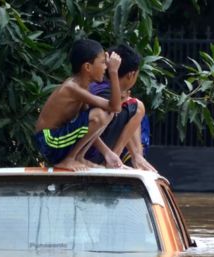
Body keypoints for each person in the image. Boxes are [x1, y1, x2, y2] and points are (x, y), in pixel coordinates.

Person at [35, 39, 122, 171]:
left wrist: (107, 153)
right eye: (103, 63)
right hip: (48, 140)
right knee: (100, 114)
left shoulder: (82, 87)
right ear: (87, 67)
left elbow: (90, 126)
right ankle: (69, 159)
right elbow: (115, 106)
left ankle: (78, 157)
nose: (106, 67)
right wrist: (114, 72)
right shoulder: (72, 87)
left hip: (57, 138)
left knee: (106, 114)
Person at [86, 44, 157, 172]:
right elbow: (85, 127)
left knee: (133, 107)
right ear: (131, 75)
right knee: (137, 106)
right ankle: (114, 158)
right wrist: (109, 153)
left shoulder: (100, 86)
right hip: (89, 152)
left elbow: (125, 121)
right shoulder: (104, 92)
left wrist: (136, 155)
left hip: (85, 149)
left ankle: (123, 158)